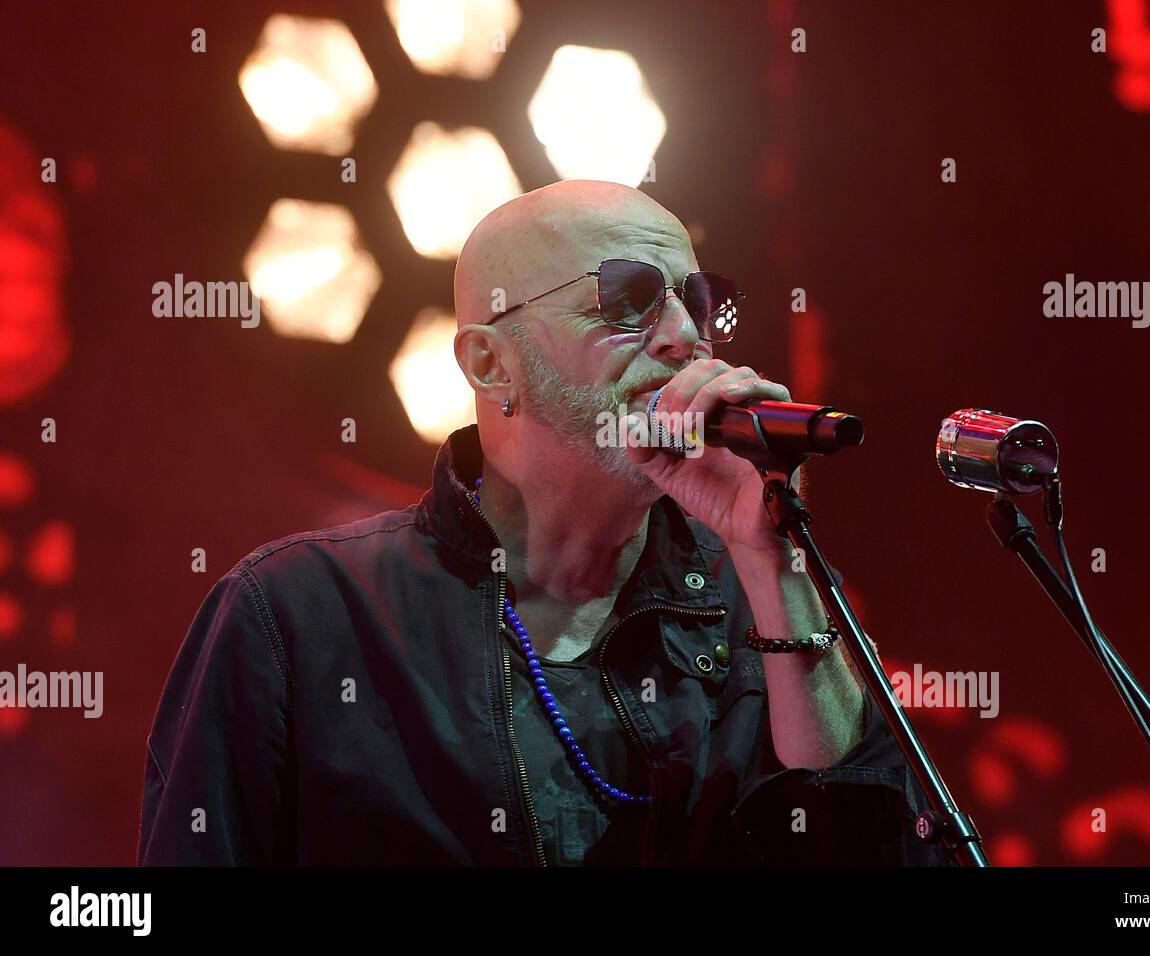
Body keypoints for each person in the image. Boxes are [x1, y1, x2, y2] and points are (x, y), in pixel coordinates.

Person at [138, 180, 950, 866]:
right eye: (628, 300)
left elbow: (879, 852)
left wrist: (772, 561)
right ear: (492, 364)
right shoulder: (300, 614)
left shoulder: (764, 593)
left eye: (699, 302)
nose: (683, 335)